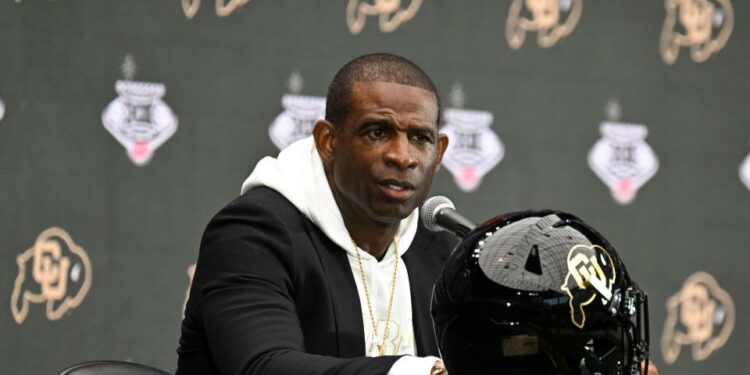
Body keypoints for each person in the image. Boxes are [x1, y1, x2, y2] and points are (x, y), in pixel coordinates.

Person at [177, 53, 456, 375]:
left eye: (420, 138)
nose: (402, 156)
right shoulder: (252, 234)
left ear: (439, 153)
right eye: (377, 132)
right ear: (328, 141)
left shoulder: (439, 250)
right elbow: (262, 366)